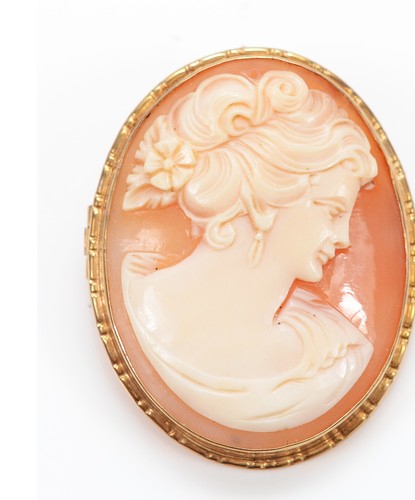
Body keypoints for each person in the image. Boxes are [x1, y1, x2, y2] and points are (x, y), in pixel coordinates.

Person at [121, 70, 378, 432]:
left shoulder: (335, 355)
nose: (343, 239)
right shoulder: (137, 303)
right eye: (332, 211)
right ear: (263, 200)